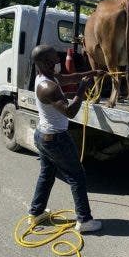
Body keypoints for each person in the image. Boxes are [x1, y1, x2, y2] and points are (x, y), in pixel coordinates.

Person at [28, 44, 105, 232]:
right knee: (77, 176)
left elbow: (68, 78)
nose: (59, 61)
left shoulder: (45, 77)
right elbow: (70, 111)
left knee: (47, 175)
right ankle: (84, 220)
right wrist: (81, 91)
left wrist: (93, 72)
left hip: (44, 135)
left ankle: (36, 212)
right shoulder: (47, 86)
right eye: (55, 59)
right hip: (55, 139)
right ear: (45, 63)